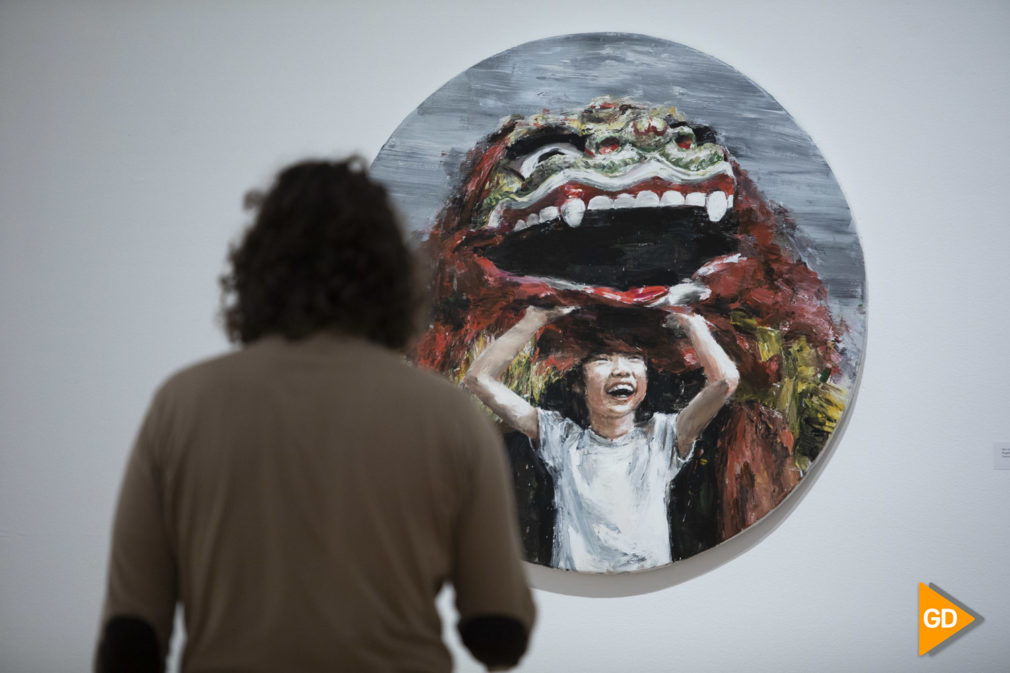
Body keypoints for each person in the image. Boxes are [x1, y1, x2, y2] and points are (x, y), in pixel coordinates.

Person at [95, 158, 535, 673]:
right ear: (392, 276)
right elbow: (498, 630)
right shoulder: (444, 415)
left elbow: (131, 636)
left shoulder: (185, 403)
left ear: (257, 272)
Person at [463, 292, 738, 573]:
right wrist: (535, 319)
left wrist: (691, 321)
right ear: (578, 383)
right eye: (603, 359)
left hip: (649, 591)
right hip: (575, 591)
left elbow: (726, 381)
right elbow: (478, 379)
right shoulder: (562, 440)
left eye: (632, 358)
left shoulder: (664, 437)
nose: (621, 371)